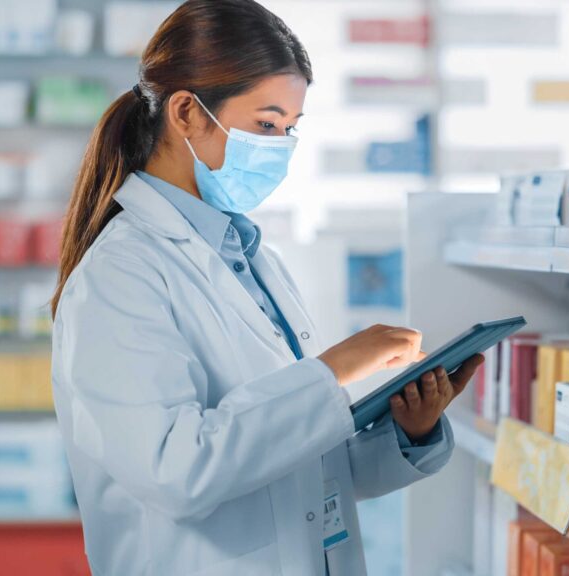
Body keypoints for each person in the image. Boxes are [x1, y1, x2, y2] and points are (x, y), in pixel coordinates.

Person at [48, 1, 484, 575]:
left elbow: (301, 464)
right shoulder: (120, 275)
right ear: (186, 112)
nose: (280, 146)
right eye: (266, 124)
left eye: (290, 128)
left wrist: (408, 430)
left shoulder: (254, 261)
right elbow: (175, 470)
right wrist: (333, 371)